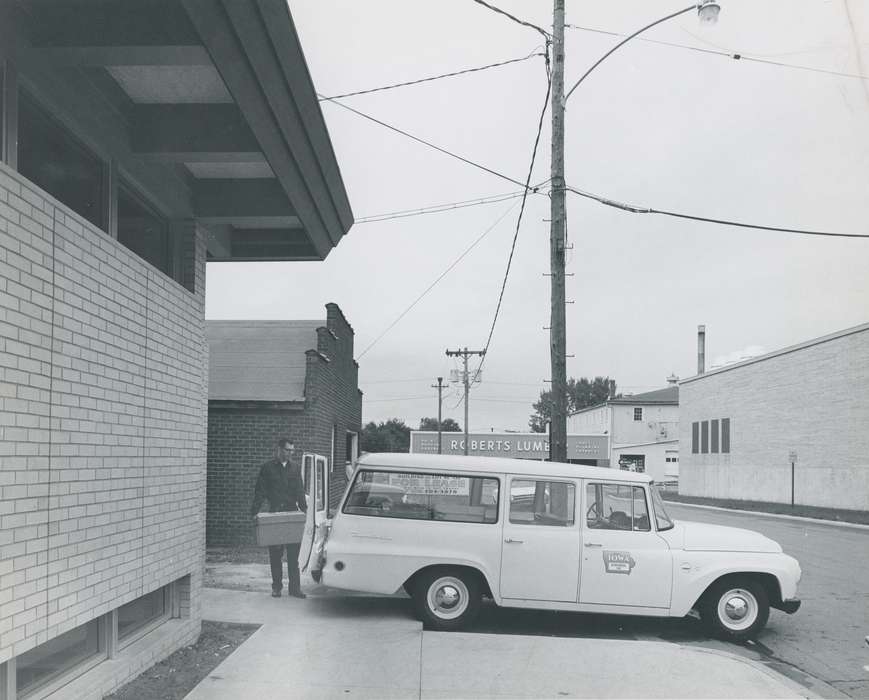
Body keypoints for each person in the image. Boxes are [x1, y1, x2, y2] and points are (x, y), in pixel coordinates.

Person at [251, 437, 307, 598]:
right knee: (275, 555)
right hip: (274, 514)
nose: (290, 453)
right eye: (288, 450)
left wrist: (305, 511)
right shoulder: (267, 468)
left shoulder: (295, 468)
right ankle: (276, 588)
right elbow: (260, 491)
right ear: (280, 449)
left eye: (292, 451)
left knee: (293, 557)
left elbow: (300, 491)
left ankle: (295, 589)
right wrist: (254, 511)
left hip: (292, 515)